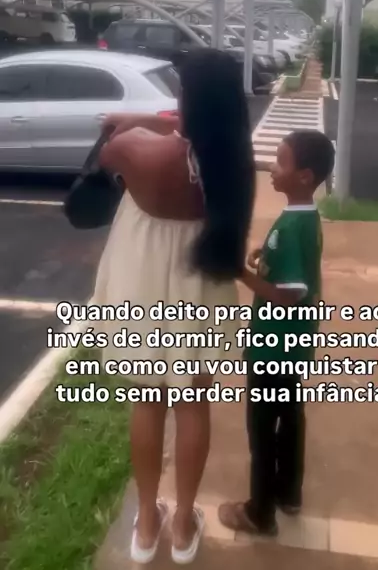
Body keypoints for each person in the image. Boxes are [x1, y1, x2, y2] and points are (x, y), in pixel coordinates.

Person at [94, 49, 256, 565]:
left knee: (147, 401)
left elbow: (107, 151)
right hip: (200, 285)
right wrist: (164, 120)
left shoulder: (139, 152)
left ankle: (147, 522)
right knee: (192, 404)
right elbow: (191, 133)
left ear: (188, 99)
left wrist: (139, 121)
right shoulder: (231, 160)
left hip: (141, 280)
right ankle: (184, 522)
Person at [218, 130, 335, 536]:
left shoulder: (290, 226)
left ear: (304, 176)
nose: (271, 166)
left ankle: (259, 512)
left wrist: (241, 273)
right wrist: (263, 256)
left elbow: (288, 294)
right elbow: (292, 267)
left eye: (281, 162)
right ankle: (289, 493)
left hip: (274, 346)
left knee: (263, 428)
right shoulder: (306, 217)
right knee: (290, 416)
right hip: (294, 344)